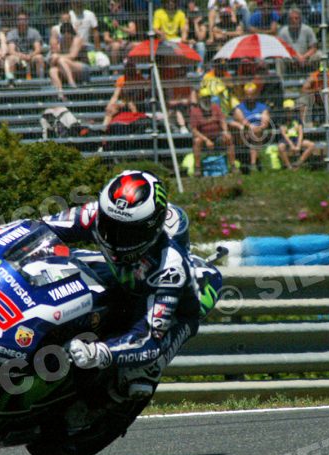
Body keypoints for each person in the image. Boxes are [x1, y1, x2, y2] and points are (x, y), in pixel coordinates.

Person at [40, 172, 214, 399]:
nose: (115, 237)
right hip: (124, 275)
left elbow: (150, 341)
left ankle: (147, 372)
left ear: (151, 229)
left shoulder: (170, 267)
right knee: (59, 259)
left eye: (128, 232)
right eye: (110, 226)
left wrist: (98, 353)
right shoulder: (97, 212)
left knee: (137, 379)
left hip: (170, 306)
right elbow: (41, 227)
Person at [190, 87, 236, 177]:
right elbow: (194, 130)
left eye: (208, 97)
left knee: (229, 138)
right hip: (204, 138)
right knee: (197, 141)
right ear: (200, 99)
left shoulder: (215, 107)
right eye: (204, 98)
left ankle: (233, 166)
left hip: (218, 136)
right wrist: (206, 140)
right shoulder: (195, 111)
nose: (207, 100)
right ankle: (197, 168)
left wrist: (225, 131)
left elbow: (222, 120)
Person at [233, 82, 271, 170]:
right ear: (244, 95)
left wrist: (258, 127)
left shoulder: (263, 107)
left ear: (256, 94)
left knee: (256, 132)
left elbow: (265, 122)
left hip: (258, 133)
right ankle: (251, 162)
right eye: (247, 95)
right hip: (243, 132)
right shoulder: (239, 108)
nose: (250, 97)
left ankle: (253, 163)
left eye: (252, 94)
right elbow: (242, 120)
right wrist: (250, 127)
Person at [49, 21, 89, 99]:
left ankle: (72, 84)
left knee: (61, 60)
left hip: (82, 67)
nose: (66, 34)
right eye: (64, 32)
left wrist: (57, 56)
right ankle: (60, 94)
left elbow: (73, 55)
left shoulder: (77, 40)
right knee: (52, 70)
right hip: (66, 69)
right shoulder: (61, 42)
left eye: (68, 32)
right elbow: (54, 58)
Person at [103, 60, 145, 128]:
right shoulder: (122, 79)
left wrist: (128, 101)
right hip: (124, 102)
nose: (129, 69)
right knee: (111, 108)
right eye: (127, 67)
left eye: (131, 67)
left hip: (137, 102)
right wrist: (110, 104)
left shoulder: (139, 78)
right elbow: (115, 96)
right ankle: (104, 129)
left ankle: (136, 125)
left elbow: (140, 95)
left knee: (131, 104)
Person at [277, 8, 318, 75]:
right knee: (279, 59)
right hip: (290, 58)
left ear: (300, 19)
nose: (294, 20)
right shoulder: (283, 32)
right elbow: (281, 48)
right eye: (291, 18)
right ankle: (280, 82)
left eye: (296, 18)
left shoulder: (307, 29)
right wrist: (296, 56)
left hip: (306, 57)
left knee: (319, 55)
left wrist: (303, 57)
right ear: (288, 20)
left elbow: (314, 47)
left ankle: (318, 78)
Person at [278, 98, 315, 170]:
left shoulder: (297, 119)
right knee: (280, 147)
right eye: (287, 111)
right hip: (287, 140)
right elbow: (284, 134)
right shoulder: (282, 120)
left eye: (290, 111)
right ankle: (289, 166)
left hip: (296, 139)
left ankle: (298, 163)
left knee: (311, 145)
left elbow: (300, 133)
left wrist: (298, 145)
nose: (289, 113)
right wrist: (291, 145)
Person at [6, 11, 44, 81]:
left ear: (27, 21)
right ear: (16, 21)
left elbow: (38, 49)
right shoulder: (11, 33)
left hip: (31, 56)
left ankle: (41, 81)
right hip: (18, 57)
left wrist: (30, 55)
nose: (22, 22)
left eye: (24, 20)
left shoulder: (34, 32)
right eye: (20, 20)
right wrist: (21, 56)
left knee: (39, 57)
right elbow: (11, 51)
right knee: (11, 58)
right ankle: (11, 83)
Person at [101, 0, 135, 65]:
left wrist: (119, 27)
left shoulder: (126, 15)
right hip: (113, 43)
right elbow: (106, 38)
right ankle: (115, 70)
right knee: (116, 45)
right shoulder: (106, 18)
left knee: (135, 45)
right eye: (109, 5)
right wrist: (116, 40)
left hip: (126, 42)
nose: (110, 7)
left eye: (112, 5)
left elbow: (133, 32)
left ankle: (133, 70)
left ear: (118, 4)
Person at [185, 1, 207, 70]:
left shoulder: (202, 25)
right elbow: (183, 38)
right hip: (189, 42)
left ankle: (199, 68)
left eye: (195, 14)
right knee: (189, 47)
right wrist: (189, 41)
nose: (193, 16)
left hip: (198, 42)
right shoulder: (186, 23)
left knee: (201, 45)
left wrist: (195, 23)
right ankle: (190, 70)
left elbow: (200, 38)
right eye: (192, 14)